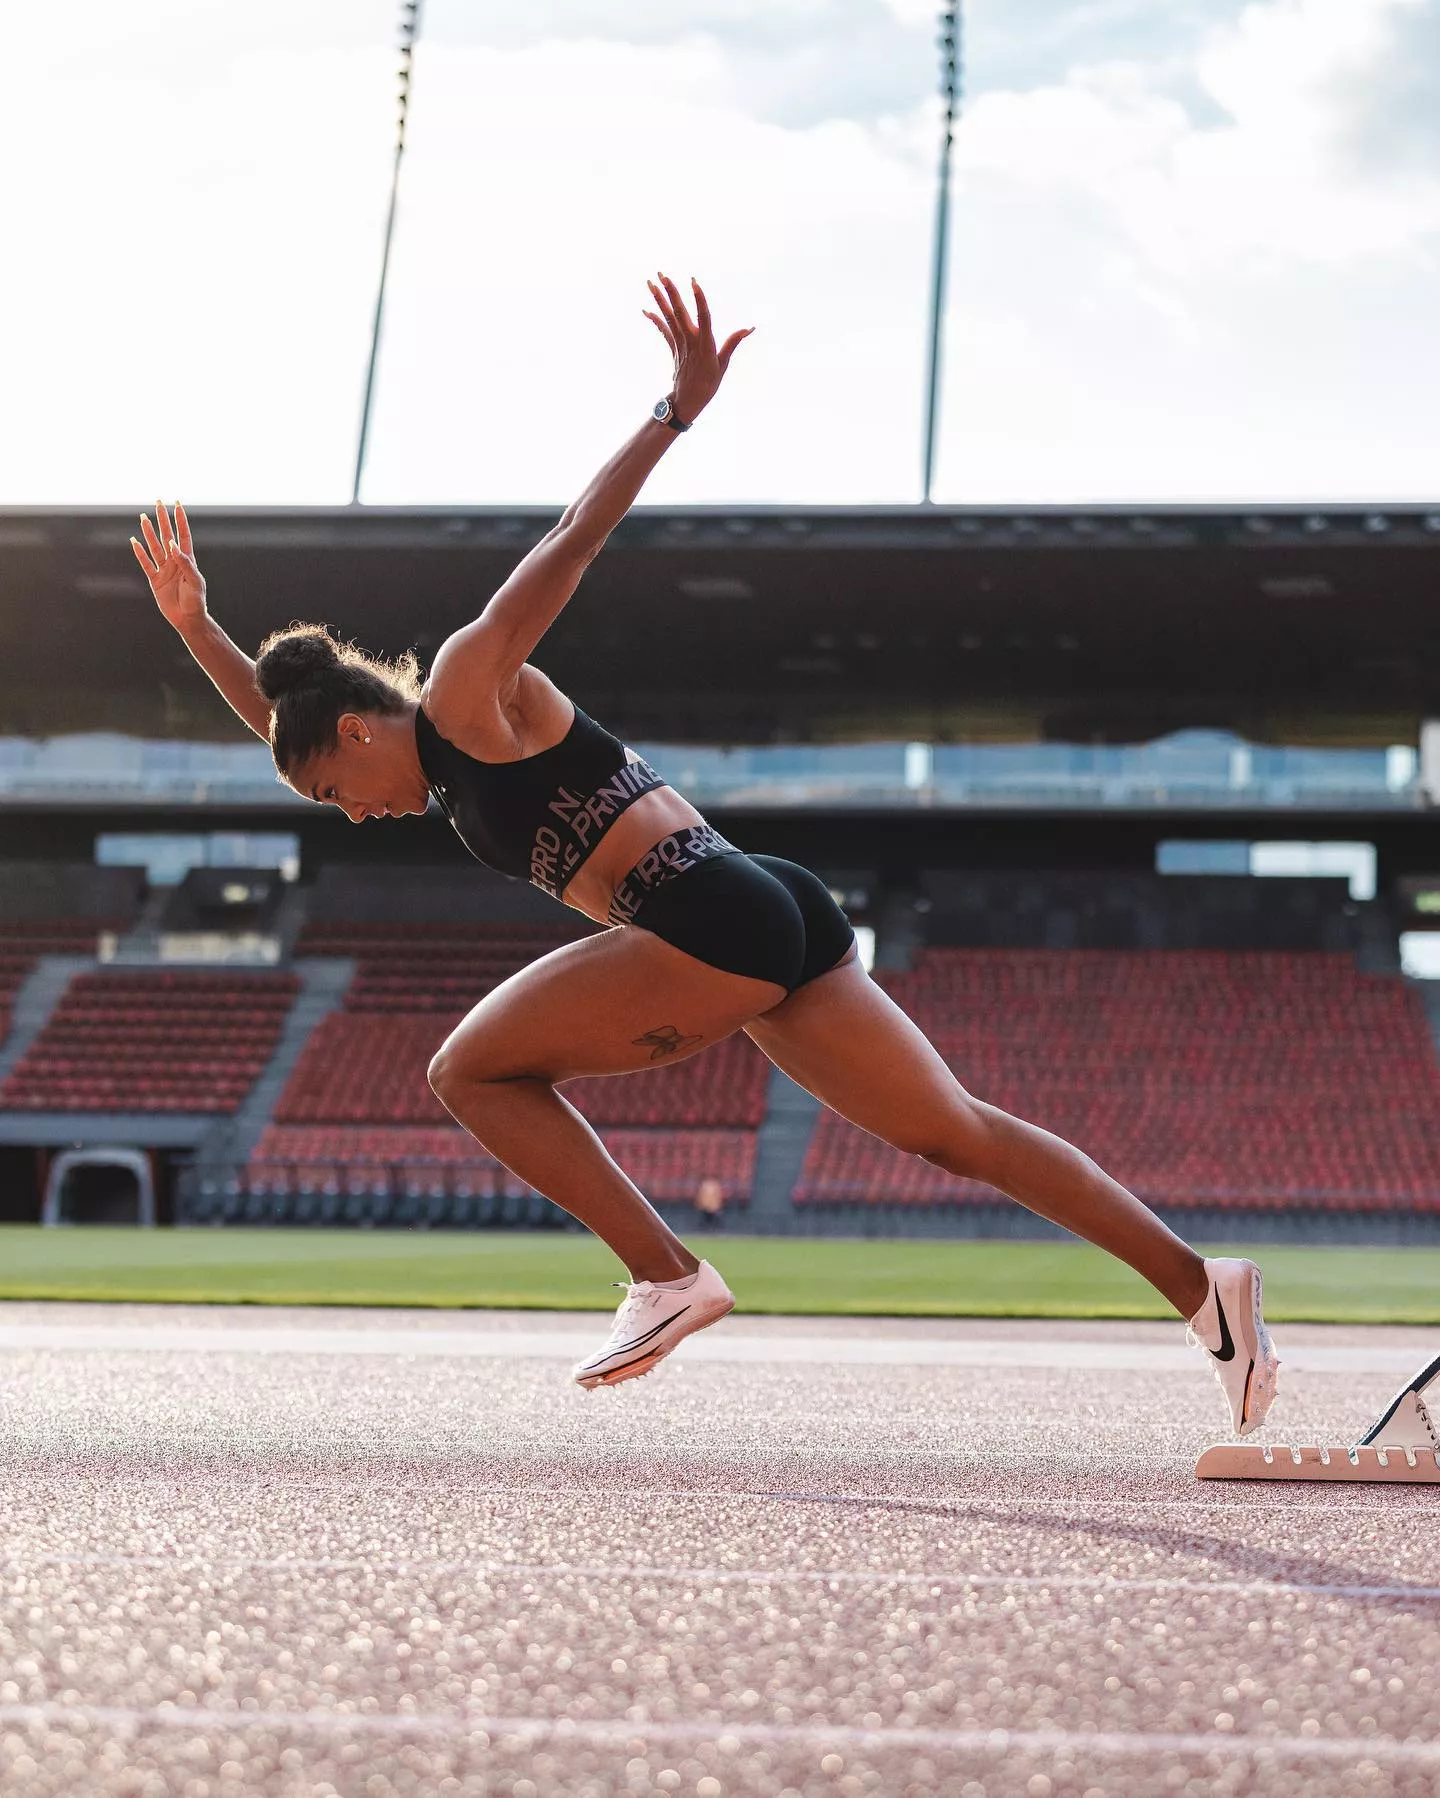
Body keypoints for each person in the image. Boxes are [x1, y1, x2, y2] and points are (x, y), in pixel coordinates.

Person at [131, 272, 1277, 1432]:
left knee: (470, 1073)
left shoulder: (472, 690)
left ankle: (668, 1273)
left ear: (363, 728)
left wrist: (672, 412)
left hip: (700, 912)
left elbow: (571, 543)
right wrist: (201, 632)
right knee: (958, 1131)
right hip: (767, 902)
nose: (355, 814)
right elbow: (292, 725)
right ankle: (1203, 1288)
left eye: (339, 790)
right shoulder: (426, 766)